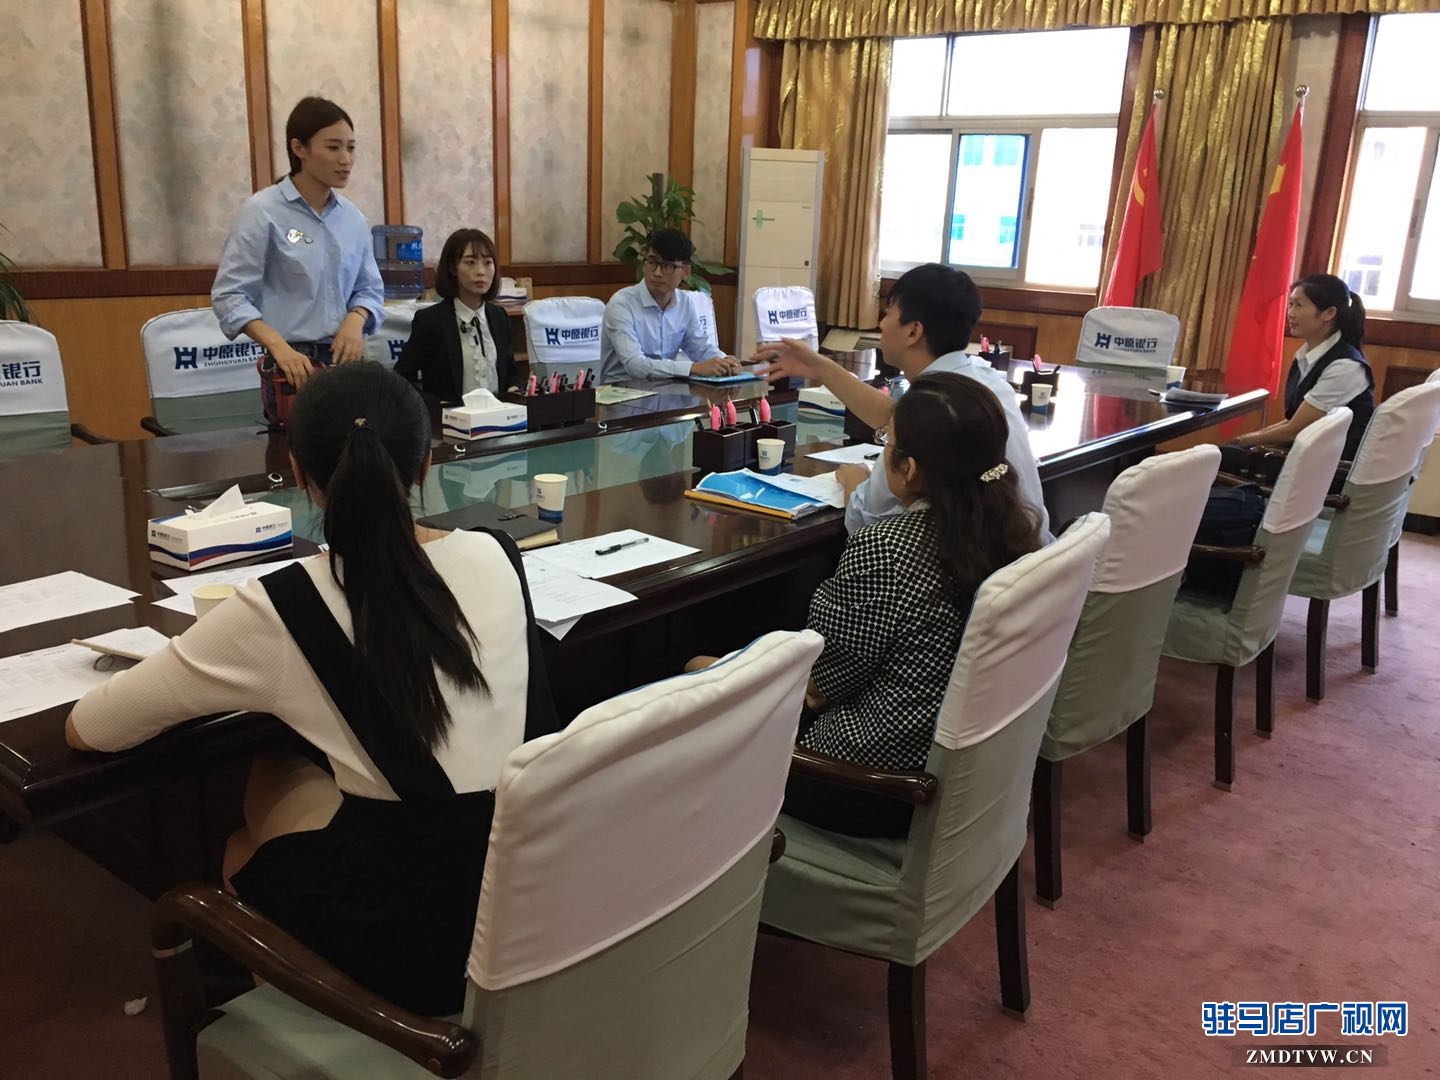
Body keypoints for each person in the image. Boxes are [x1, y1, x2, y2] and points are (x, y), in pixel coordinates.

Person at [65, 364, 559, 1016]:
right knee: (304, 775)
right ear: (424, 464)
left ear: (297, 472)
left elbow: (91, 729)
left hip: (418, 954)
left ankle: (289, 1021)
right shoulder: (499, 551)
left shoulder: (283, 604)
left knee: (247, 833)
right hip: (531, 897)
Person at [689, 374, 1042, 837]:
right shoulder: (1014, 532)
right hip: (959, 773)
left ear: (908, 469)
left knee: (695, 675)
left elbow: (818, 683)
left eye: (885, 444)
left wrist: (728, 669)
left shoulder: (887, 548)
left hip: (862, 781)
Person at [754, 262, 1050, 539]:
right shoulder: (983, 380)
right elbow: (895, 414)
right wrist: (820, 366)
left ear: (913, 330)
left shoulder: (941, 403)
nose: (881, 324)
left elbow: (863, 519)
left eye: (888, 313)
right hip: (1027, 559)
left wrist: (855, 479)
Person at [212, 96, 385, 392]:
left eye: (351, 147)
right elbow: (230, 295)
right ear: (299, 148)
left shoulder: (352, 218)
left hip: (348, 361)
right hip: (292, 364)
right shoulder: (262, 211)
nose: (346, 159)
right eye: (333, 147)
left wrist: (356, 320)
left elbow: (370, 289)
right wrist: (279, 348)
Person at [1226, 273, 1374, 463]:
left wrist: (1241, 441)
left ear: (1329, 313)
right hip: (1306, 457)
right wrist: (1246, 439)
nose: (1291, 313)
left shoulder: (1345, 366)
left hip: (1328, 466)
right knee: (1222, 455)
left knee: (1219, 458)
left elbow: (1294, 431)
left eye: (1299, 305)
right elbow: (1294, 421)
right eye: (1290, 304)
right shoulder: (1305, 355)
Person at [600, 227, 741, 382]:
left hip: (666, 389)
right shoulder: (621, 304)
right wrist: (693, 368)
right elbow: (635, 366)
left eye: (667, 266)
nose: (657, 272)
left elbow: (701, 348)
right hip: (621, 391)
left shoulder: (685, 303)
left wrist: (725, 361)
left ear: (686, 272)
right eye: (652, 262)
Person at [395, 227, 516, 404]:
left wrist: (515, 390)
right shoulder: (430, 320)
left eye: (488, 262)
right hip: (450, 417)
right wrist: (438, 405)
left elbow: (511, 373)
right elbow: (402, 379)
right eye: (470, 262)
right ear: (452, 268)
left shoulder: (499, 317)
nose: (481, 271)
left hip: (499, 415)